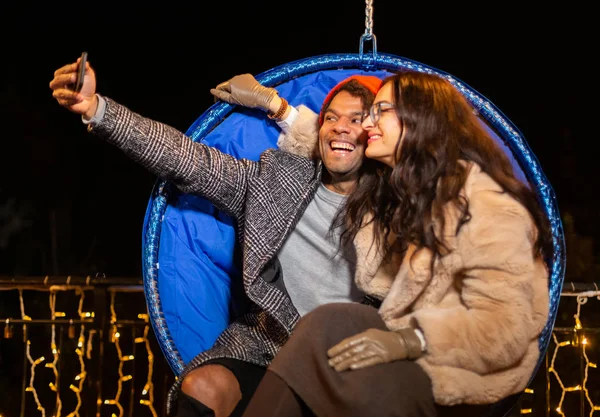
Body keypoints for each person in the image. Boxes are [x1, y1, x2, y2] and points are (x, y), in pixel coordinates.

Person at [49, 58, 383, 417]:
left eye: (356, 119)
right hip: (272, 350)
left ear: (378, 133)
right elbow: (186, 159)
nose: (340, 128)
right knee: (203, 387)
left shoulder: (403, 203)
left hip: (358, 365)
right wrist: (97, 109)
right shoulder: (276, 179)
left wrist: (277, 105)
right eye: (330, 118)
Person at [237, 70, 553, 417]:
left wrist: (408, 340)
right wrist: (276, 106)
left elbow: (505, 328)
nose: (367, 123)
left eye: (380, 111)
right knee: (330, 324)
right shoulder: (410, 192)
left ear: (421, 120)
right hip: (412, 359)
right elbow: (336, 139)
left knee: (329, 327)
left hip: (461, 383)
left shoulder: (486, 205)